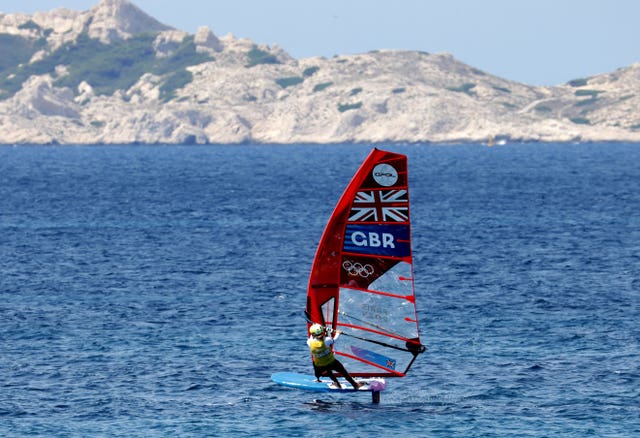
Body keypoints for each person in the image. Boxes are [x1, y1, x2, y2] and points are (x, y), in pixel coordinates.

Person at [307, 323, 363, 389]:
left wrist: (317, 328)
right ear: (323, 333)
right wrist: (338, 333)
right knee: (343, 372)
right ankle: (355, 385)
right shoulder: (327, 340)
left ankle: (337, 384)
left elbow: (312, 336)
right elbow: (334, 339)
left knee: (328, 371)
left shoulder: (309, 342)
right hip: (331, 362)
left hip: (319, 365)